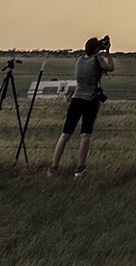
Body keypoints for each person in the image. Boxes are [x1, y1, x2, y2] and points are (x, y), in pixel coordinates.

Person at [49, 35, 114, 176]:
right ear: (97, 49)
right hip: (90, 100)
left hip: (76, 99)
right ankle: (80, 168)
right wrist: (107, 51)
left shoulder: (79, 60)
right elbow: (111, 68)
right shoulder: (97, 59)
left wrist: (99, 48)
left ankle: (53, 167)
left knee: (65, 134)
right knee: (85, 134)